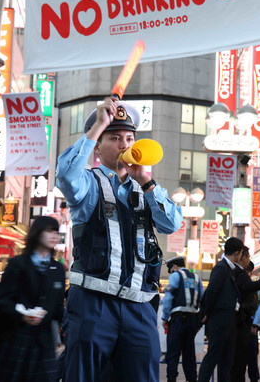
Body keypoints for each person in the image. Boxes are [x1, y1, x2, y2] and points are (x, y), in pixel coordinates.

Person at [56, 97, 183, 382]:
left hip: (140, 306)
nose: (125, 145)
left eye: (129, 138)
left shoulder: (146, 189)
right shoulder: (88, 182)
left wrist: (146, 181)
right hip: (92, 302)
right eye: (114, 138)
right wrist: (97, 125)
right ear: (98, 147)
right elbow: (64, 176)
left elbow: (172, 223)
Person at [0, 216, 65, 381]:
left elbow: (57, 308)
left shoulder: (57, 269)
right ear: (37, 233)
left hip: (44, 342)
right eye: (49, 231)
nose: (54, 236)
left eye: (56, 232)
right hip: (16, 336)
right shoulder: (18, 264)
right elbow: (2, 300)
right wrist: (22, 314)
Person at [198, 237, 244, 382]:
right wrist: (207, 313)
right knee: (212, 357)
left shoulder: (229, 269)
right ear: (237, 253)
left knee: (226, 361)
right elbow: (211, 291)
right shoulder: (221, 267)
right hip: (219, 321)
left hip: (228, 321)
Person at [231, 246, 260, 382]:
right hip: (240, 326)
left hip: (251, 327)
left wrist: (255, 324)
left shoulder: (256, 288)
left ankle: (254, 378)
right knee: (238, 359)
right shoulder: (239, 282)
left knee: (251, 358)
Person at [162, 256, 204, 382]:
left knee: (173, 353)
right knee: (189, 353)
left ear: (174, 266)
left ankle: (172, 378)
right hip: (192, 320)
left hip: (178, 319)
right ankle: (192, 379)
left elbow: (168, 297)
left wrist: (165, 317)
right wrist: (199, 320)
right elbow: (202, 298)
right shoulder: (196, 278)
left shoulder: (175, 276)